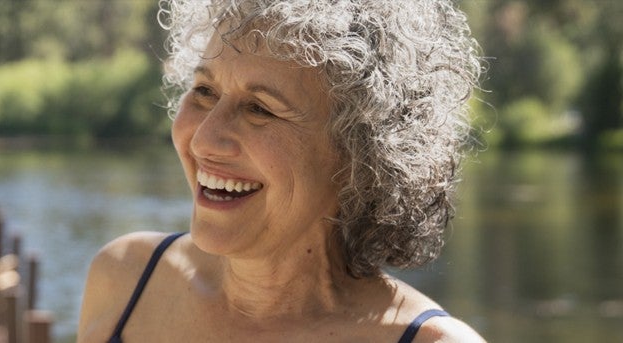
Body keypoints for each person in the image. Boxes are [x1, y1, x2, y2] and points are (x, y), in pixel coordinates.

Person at [78, 0, 486, 341]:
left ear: (362, 154)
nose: (203, 140)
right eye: (204, 91)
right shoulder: (125, 279)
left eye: (259, 108)